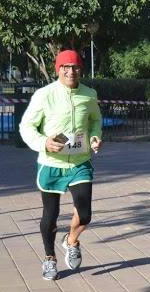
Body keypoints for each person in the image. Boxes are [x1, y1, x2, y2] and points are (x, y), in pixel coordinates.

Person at [19, 50, 103, 280]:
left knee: (84, 214)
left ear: (80, 69)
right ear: (58, 69)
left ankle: (71, 241)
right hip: (51, 163)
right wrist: (43, 143)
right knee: (50, 214)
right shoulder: (44, 95)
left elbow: (95, 120)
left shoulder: (89, 94)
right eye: (65, 67)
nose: (70, 71)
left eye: (75, 67)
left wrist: (95, 136)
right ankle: (49, 258)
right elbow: (26, 127)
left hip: (79, 160)